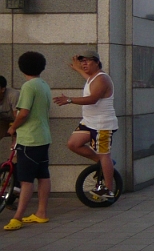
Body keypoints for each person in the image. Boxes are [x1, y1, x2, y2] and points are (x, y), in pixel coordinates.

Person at [55, 50, 119, 200]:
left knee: (105, 155)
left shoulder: (102, 79)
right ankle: (102, 162)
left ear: (97, 62)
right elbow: (88, 78)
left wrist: (69, 100)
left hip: (102, 124)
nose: (84, 64)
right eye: (82, 61)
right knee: (73, 144)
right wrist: (77, 68)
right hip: (89, 122)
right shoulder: (92, 77)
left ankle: (109, 190)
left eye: (87, 61)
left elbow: (93, 99)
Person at [4, 52, 52, 230]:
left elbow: (23, 113)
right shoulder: (44, 85)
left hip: (29, 139)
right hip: (43, 136)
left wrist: (13, 127)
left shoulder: (28, 86)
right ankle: (41, 213)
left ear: (21, 67)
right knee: (43, 175)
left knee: (26, 180)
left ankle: (17, 217)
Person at [0, 75, 19, 139]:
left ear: (2, 89)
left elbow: (18, 117)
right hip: (3, 121)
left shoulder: (13, 95)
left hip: (17, 122)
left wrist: (15, 137)